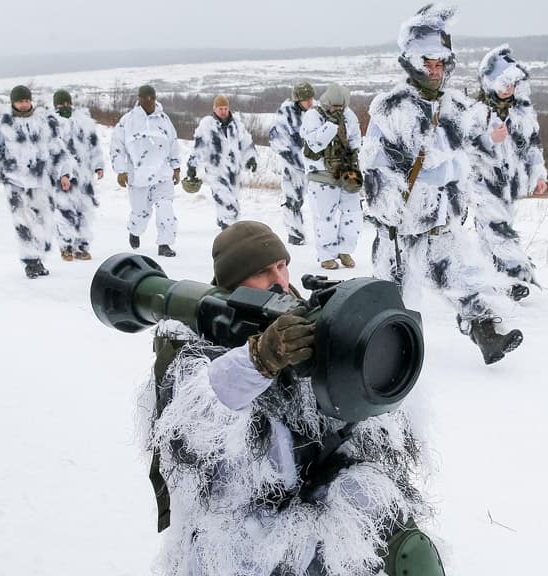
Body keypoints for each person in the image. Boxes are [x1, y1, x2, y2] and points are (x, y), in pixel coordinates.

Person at [144, 221, 444, 576]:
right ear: (232, 284)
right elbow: (196, 432)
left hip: (310, 504)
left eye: (282, 265)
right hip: (235, 533)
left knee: (407, 546)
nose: (279, 279)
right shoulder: (194, 349)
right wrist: (259, 360)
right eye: (261, 272)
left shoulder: (304, 325)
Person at [360, 4, 524, 365]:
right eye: (427, 64)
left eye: (440, 65)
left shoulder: (454, 106)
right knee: (392, 295)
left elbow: (468, 149)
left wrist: (482, 148)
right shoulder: (393, 109)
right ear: (412, 62)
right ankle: (378, 356)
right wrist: (387, 209)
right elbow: (374, 164)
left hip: (440, 220)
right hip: (401, 226)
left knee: (458, 275)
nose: (434, 72)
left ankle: (487, 335)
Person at [469, 45, 548, 302]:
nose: (507, 89)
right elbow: (462, 148)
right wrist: (489, 139)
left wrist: (538, 175)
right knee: (497, 230)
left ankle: (495, 279)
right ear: (489, 82)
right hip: (482, 184)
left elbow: (532, 147)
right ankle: (516, 274)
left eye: (512, 84)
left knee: (491, 235)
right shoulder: (476, 113)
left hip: (508, 186)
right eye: (502, 83)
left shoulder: (521, 114)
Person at [0, 84, 72, 279]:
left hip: (40, 181)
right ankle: (30, 262)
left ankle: (38, 256)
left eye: (27, 100)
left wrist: (64, 174)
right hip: (14, 181)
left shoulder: (45, 121)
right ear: (13, 102)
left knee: (43, 222)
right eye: (20, 101)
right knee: (22, 223)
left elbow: (57, 149)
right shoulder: (2, 123)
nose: (24, 104)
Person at [110, 85, 181, 258]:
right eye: (145, 98)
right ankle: (135, 230)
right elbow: (116, 146)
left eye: (152, 97)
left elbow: (173, 143)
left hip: (162, 174)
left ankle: (164, 244)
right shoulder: (128, 120)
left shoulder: (164, 120)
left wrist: (176, 167)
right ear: (139, 98)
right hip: (138, 175)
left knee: (166, 208)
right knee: (140, 212)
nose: (149, 101)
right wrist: (121, 170)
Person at [301, 83, 364, 270]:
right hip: (321, 173)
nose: (337, 109)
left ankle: (345, 250)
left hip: (346, 169)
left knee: (354, 213)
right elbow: (315, 144)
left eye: (340, 106)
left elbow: (355, 142)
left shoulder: (349, 115)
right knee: (325, 217)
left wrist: (355, 165)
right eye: (334, 106)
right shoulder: (313, 115)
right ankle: (327, 255)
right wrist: (332, 124)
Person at [186, 95, 258, 230]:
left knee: (233, 198)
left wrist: (251, 159)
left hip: (234, 171)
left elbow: (246, 142)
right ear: (214, 109)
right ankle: (229, 229)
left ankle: (222, 220)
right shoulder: (207, 125)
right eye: (221, 109)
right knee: (229, 204)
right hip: (216, 171)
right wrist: (192, 166)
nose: (224, 111)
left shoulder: (236, 124)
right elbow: (199, 147)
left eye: (226, 108)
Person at [50, 89, 104, 261]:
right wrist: (59, 173)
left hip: (83, 175)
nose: (64, 107)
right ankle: (66, 245)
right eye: (60, 104)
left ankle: (82, 246)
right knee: (65, 210)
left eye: (66, 103)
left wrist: (98, 166)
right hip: (62, 176)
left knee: (83, 210)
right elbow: (50, 150)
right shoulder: (51, 123)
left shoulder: (84, 123)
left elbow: (94, 146)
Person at [269, 82, 316, 246]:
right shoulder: (286, 114)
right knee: (293, 200)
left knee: (321, 200)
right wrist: (288, 154)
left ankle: (324, 233)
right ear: (297, 100)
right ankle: (295, 233)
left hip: (315, 164)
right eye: (306, 99)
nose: (309, 102)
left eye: (311, 98)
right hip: (294, 166)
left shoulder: (316, 112)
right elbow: (276, 138)